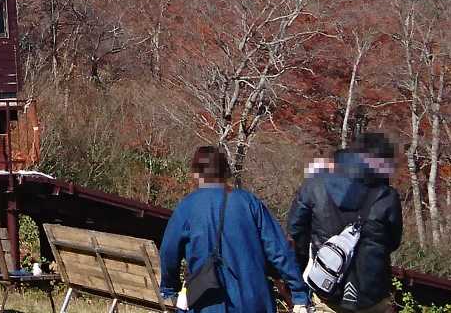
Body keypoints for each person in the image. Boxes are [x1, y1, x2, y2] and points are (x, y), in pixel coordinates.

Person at [159, 146, 310, 313]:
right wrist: (299, 293)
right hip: (254, 301)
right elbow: (279, 250)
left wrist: (169, 289)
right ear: (226, 172)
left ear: (196, 173)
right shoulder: (249, 202)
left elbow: (168, 252)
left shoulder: (188, 206)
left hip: (207, 302)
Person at [289, 133, 405, 313]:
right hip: (371, 295)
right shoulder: (388, 197)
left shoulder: (315, 185)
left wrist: (306, 266)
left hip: (326, 288)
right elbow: (393, 242)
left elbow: (296, 232)